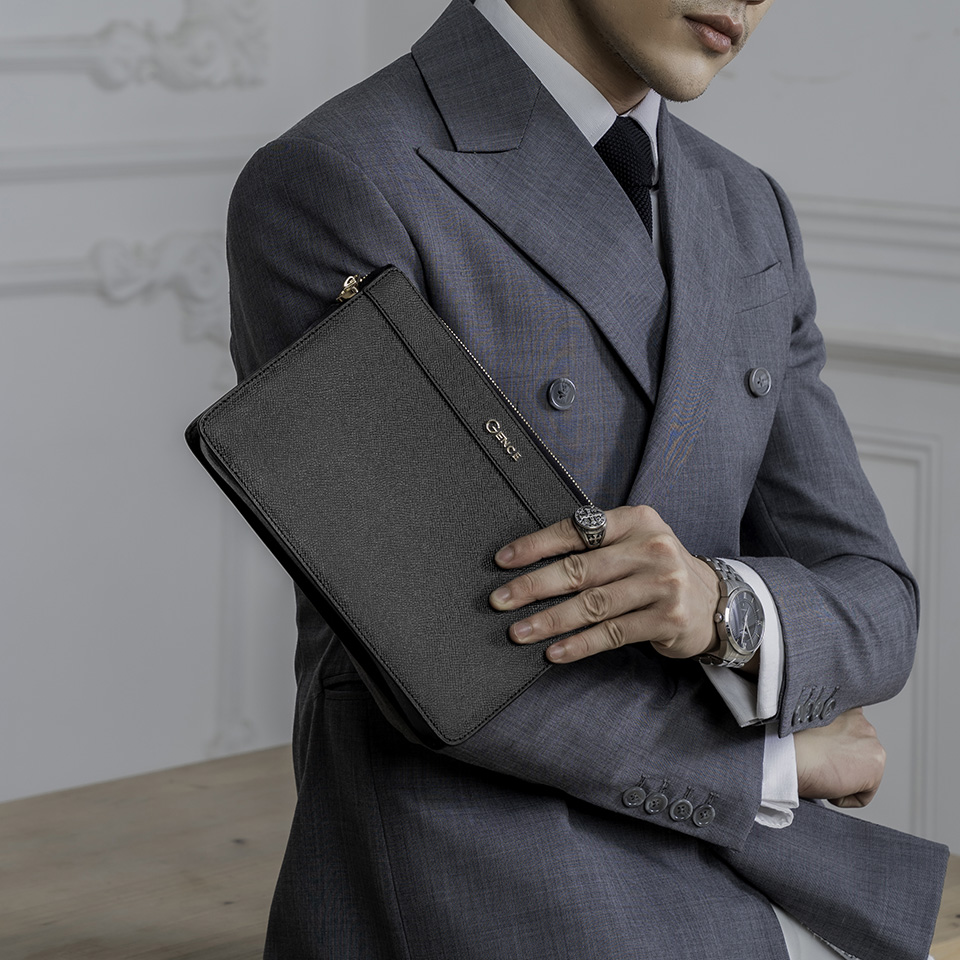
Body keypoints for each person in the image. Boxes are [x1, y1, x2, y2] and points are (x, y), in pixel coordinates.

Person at [226, 0, 949, 957]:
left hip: (747, 876)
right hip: (475, 877)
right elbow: (439, 655)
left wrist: (724, 604)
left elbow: (878, 604)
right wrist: (770, 767)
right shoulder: (338, 176)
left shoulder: (745, 208)